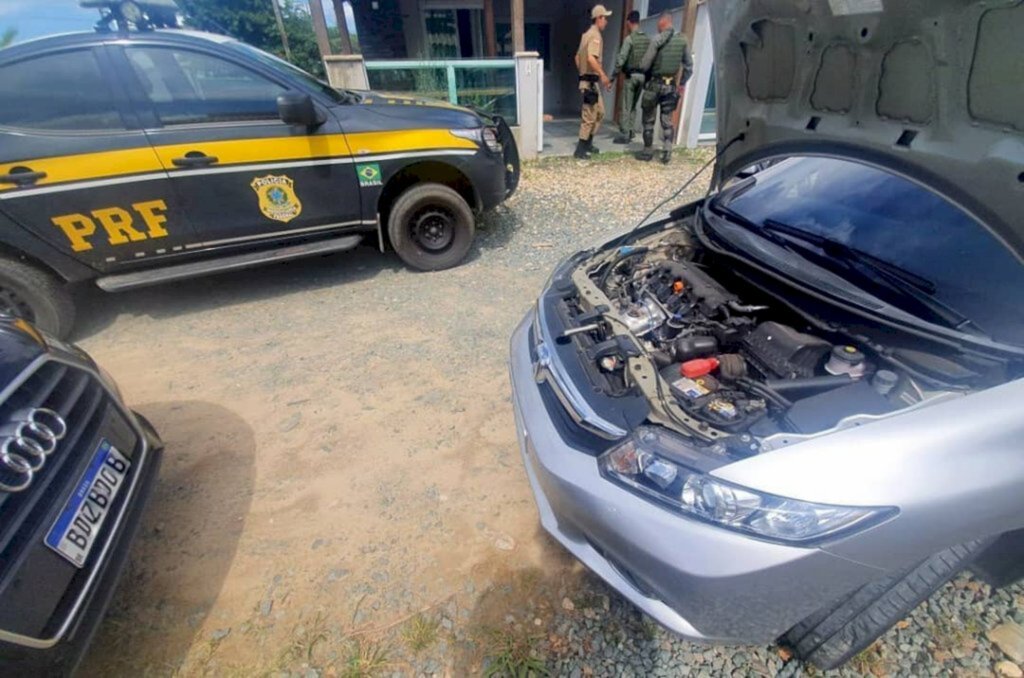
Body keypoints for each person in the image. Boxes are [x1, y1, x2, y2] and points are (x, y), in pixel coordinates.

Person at [637, 11, 694, 163]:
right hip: (671, 87)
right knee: (667, 120)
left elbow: (644, 65)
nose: (657, 27)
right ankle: (667, 151)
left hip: (654, 85)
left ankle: (647, 151)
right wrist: (681, 83)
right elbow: (689, 67)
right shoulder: (682, 40)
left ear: (662, 23)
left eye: (658, 25)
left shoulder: (657, 40)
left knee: (649, 119)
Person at [574, 5, 613, 160]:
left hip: (589, 81)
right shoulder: (595, 36)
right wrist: (602, 75)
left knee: (600, 113)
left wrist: (582, 74)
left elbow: (577, 57)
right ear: (599, 18)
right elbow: (591, 58)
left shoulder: (586, 35)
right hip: (590, 82)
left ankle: (588, 143)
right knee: (589, 116)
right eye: (605, 18)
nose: (606, 22)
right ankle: (580, 149)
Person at [610, 11, 650, 145]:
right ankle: (631, 131)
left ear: (629, 22)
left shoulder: (629, 39)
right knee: (633, 106)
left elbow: (621, 59)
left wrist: (613, 77)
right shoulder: (647, 39)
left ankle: (624, 134)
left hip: (631, 76)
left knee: (626, 105)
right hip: (643, 77)